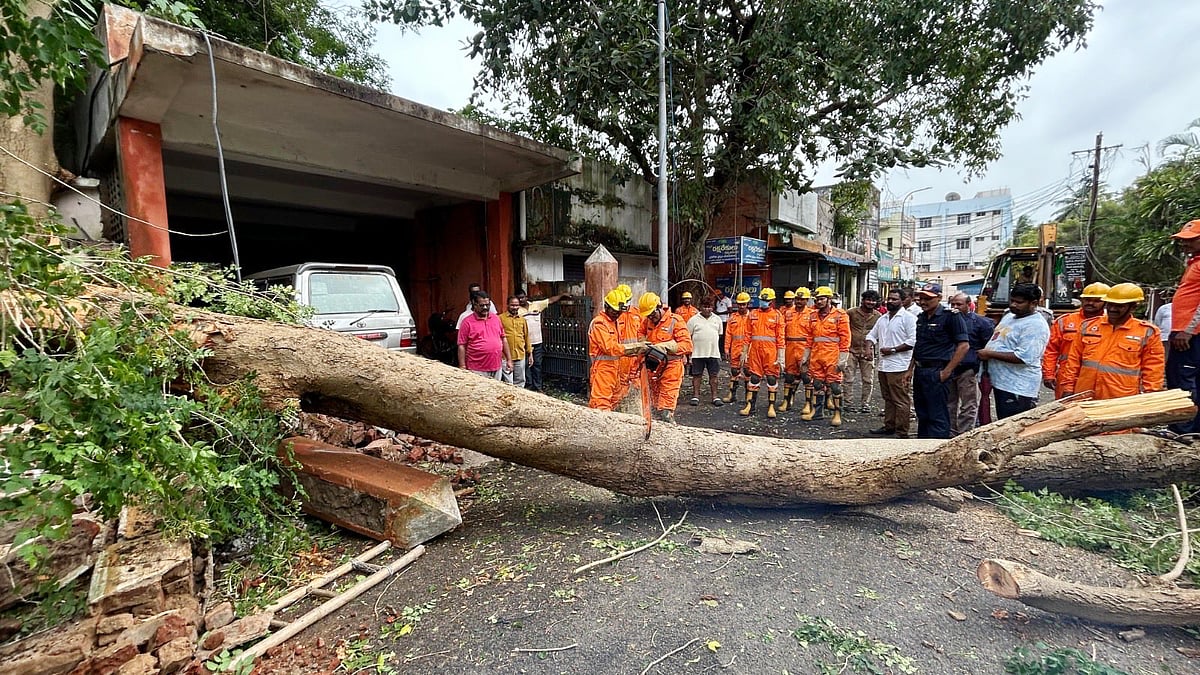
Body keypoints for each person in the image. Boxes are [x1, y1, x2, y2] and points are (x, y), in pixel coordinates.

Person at [1058, 283, 1164, 401]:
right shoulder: (1088, 326)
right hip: (1084, 394)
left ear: (1133, 307)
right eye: (1110, 304)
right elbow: (1073, 361)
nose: (1113, 309)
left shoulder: (1147, 332)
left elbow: (1153, 369)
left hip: (1120, 399)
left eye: (1119, 306)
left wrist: (1150, 397)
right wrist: (1068, 388)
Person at [976, 283, 1051, 418]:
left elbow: (1024, 357)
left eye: (1019, 302)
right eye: (1012, 300)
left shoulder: (1036, 325)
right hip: (1002, 383)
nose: (1013, 305)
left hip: (1018, 387)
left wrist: (989, 354)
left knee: (1014, 426)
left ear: (1033, 303)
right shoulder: (1010, 316)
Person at [911, 283, 969, 438]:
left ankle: (936, 450)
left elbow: (963, 346)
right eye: (921, 298)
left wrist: (946, 371)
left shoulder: (951, 316)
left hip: (937, 371)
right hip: (921, 371)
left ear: (939, 298)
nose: (923, 302)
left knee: (937, 415)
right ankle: (922, 449)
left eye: (927, 299)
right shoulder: (921, 317)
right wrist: (910, 370)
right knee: (922, 414)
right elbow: (919, 346)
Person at [1041, 283, 1109, 399]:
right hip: (1065, 375)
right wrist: (1048, 374)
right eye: (1087, 299)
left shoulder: (1110, 324)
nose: (1090, 303)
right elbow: (1051, 350)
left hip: (1096, 378)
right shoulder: (1065, 321)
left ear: (1106, 302)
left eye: (1096, 300)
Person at [865, 289, 917, 437]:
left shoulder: (908, 318)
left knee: (900, 399)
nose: (890, 301)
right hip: (884, 365)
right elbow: (871, 335)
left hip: (899, 365)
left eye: (894, 299)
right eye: (889, 299)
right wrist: (868, 348)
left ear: (902, 301)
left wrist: (893, 350)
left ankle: (902, 431)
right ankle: (889, 426)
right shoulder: (883, 319)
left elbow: (912, 341)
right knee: (888, 398)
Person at [798, 286, 851, 426]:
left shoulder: (840, 315)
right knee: (817, 384)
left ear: (829, 300)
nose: (819, 301)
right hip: (817, 355)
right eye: (817, 299)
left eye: (821, 299)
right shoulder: (813, 316)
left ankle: (837, 414)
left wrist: (843, 359)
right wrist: (805, 356)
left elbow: (845, 338)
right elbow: (809, 338)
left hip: (832, 355)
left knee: (834, 386)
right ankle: (817, 412)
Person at [637, 292, 693, 422]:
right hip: (654, 367)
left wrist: (667, 346)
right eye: (648, 315)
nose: (651, 318)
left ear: (660, 307)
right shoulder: (648, 321)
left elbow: (687, 345)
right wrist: (643, 342)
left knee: (665, 409)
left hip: (671, 368)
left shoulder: (676, 321)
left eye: (653, 314)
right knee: (653, 408)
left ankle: (670, 432)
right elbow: (640, 332)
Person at [946, 292, 996, 435]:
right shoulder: (947, 320)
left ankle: (965, 434)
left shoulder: (982, 323)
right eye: (953, 304)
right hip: (948, 368)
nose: (955, 307)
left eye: (959, 304)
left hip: (968, 370)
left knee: (968, 404)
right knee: (949, 403)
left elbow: (988, 346)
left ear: (969, 305)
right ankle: (950, 433)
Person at [1167, 220, 1200, 433]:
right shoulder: (1194, 263)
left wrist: (1188, 330)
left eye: (1190, 240)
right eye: (1182, 241)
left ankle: (1183, 429)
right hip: (1187, 332)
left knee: (1183, 380)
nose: (1184, 244)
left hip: (1190, 335)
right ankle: (1191, 428)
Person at [587, 289, 644, 410]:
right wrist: (632, 349)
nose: (617, 314)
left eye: (619, 312)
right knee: (601, 403)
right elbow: (610, 348)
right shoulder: (599, 324)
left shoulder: (615, 322)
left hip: (615, 368)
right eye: (614, 311)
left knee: (616, 401)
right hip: (603, 369)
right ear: (606, 307)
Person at [739, 288, 786, 418]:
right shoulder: (753, 314)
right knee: (754, 378)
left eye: (766, 300)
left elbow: (781, 338)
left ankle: (771, 406)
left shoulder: (777, 316)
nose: (763, 302)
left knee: (771, 378)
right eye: (762, 300)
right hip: (755, 351)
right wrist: (744, 352)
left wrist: (781, 357)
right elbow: (747, 335)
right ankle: (750, 405)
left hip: (771, 352)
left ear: (771, 301)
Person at [516, 288, 571, 392]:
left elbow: (550, 300)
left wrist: (562, 295)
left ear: (526, 297)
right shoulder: (517, 310)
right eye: (518, 299)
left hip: (537, 342)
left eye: (522, 297)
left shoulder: (536, 305)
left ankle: (538, 387)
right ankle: (528, 387)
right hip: (524, 343)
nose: (521, 300)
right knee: (526, 365)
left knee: (537, 365)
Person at [457, 291, 512, 380]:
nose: (485, 308)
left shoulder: (496, 318)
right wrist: (462, 366)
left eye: (487, 305)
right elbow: (461, 345)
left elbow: (503, 338)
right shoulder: (467, 322)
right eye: (482, 305)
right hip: (477, 369)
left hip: (496, 366)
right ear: (475, 305)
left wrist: (509, 360)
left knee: (495, 391)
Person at [845, 290, 881, 413]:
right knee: (848, 378)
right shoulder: (851, 313)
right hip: (851, 350)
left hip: (868, 351)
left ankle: (865, 404)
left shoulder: (878, 316)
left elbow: (879, 334)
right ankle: (847, 403)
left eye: (873, 300)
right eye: (868, 299)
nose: (870, 302)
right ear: (862, 300)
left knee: (868, 380)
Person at [778, 287, 813, 412]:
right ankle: (787, 401)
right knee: (789, 376)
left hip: (804, 347)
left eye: (802, 299)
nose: (799, 301)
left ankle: (808, 404)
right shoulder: (787, 313)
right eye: (797, 299)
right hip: (790, 346)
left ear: (807, 300)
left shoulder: (811, 314)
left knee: (806, 376)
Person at [687, 298, 724, 406]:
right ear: (700, 307)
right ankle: (695, 396)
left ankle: (715, 397)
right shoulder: (693, 320)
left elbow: (719, 334)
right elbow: (688, 336)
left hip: (713, 353)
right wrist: (688, 354)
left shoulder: (717, 319)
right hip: (697, 353)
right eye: (705, 307)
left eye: (709, 307)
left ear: (713, 307)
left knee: (714, 376)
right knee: (697, 375)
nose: (707, 309)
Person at [723, 292, 752, 403]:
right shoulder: (732, 317)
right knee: (734, 371)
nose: (741, 306)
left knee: (747, 372)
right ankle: (732, 395)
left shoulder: (752, 317)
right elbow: (728, 334)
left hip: (748, 349)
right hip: (735, 347)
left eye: (743, 304)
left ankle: (748, 396)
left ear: (747, 304)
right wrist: (726, 348)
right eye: (739, 304)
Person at [498, 295, 531, 387]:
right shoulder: (500, 318)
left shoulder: (522, 320)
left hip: (520, 354)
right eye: (512, 305)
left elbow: (526, 336)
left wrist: (530, 353)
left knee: (520, 381)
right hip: (505, 356)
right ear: (507, 305)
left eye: (517, 305)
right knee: (508, 382)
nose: (515, 307)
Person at [713, 288, 734, 353]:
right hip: (718, 321)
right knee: (719, 336)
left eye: (718, 295)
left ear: (721, 294)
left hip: (724, 320)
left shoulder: (727, 300)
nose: (717, 297)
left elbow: (730, 310)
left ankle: (725, 351)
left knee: (724, 336)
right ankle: (719, 350)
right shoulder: (717, 301)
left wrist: (719, 313)